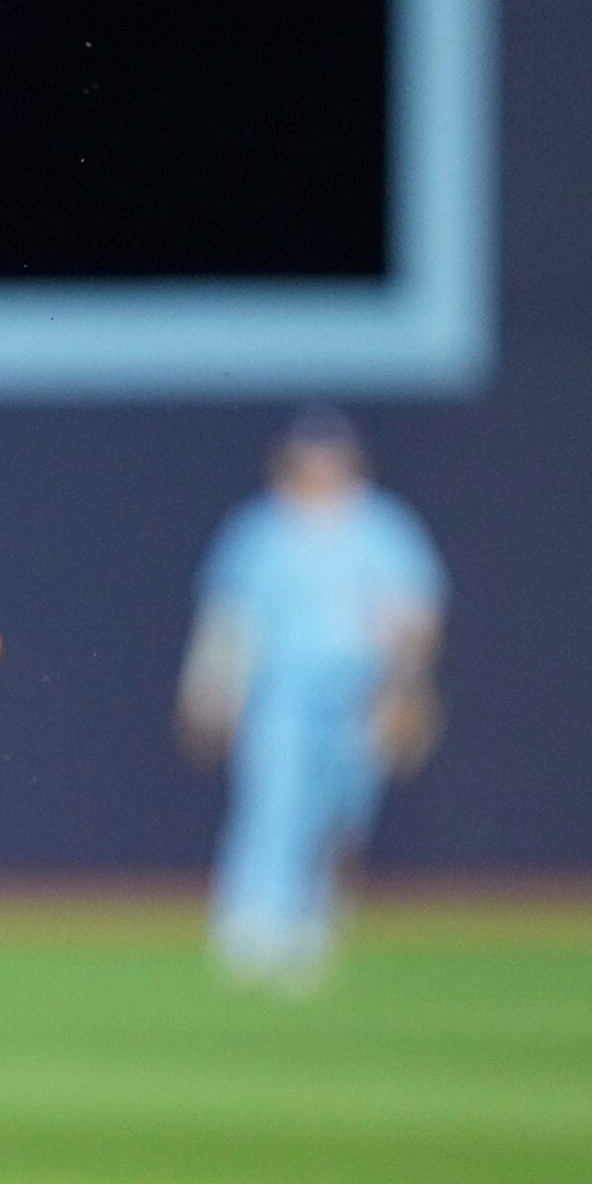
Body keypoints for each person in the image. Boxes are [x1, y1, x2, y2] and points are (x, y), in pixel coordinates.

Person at [175, 407, 447, 988]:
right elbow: (228, 620)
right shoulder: (261, 530)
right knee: (274, 797)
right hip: (281, 689)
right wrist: (208, 692)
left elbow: (416, 618)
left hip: (359, 690)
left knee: (342, 808)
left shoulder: (382, 527)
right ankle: (251, 921)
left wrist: (408, 688)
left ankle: (313, 922)